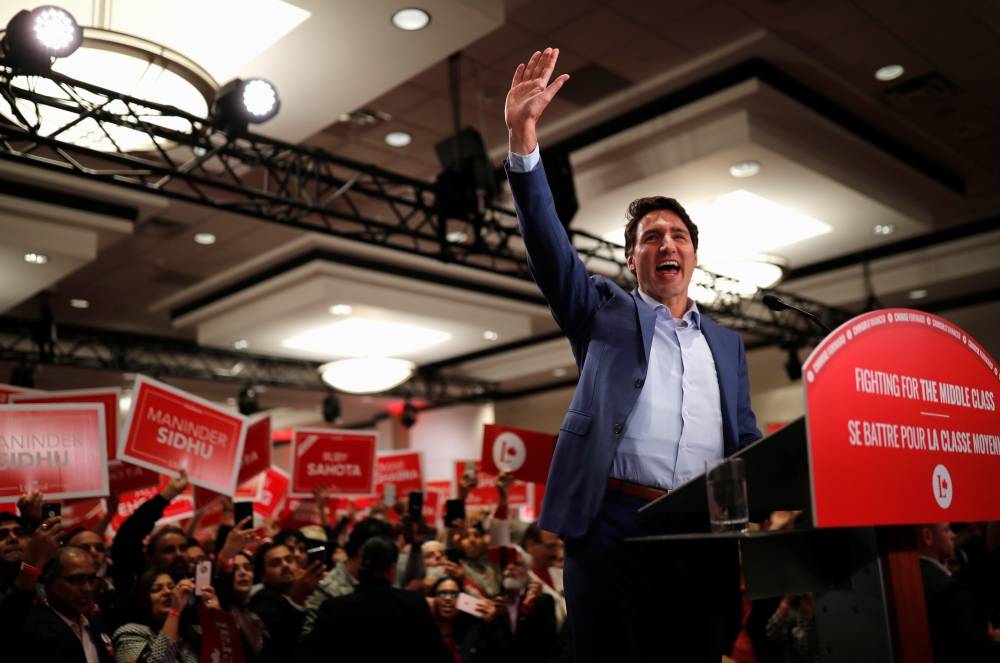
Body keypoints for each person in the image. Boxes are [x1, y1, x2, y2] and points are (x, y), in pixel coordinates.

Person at [504, 47, 761, 662]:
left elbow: (746, 441)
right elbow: (547, 244)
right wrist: (521, 139)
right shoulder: (600, 311)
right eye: (651, 238)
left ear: (693, 256)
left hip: (703, 533)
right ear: (632, 260)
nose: (665, 244)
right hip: (614, 526)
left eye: (677, 236)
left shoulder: (727, 343)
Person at [297, 537, 452, 662]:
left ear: (361, 564)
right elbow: (437, 654)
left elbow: (311, 655)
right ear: (392, 570)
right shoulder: (414, 603)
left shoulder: (334, 607)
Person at [917, 522, 1000, 662]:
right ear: (927, 536)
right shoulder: (948, 589)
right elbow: (970, 649)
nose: (954, 535)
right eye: (946, 530)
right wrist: (994, 640)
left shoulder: (915, 576)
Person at [20, 545, 117, 663]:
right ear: (48, 582)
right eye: (76, 579)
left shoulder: (99, 627)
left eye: (91, 579)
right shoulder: (34, 631)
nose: (87, 588)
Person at [112, 568, 218, 662]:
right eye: (157, 589)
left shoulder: (195, 632)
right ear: (143, 601)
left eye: (172, 587)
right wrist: (175, 611)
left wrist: (217, 616)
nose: (168, 592)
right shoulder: (129, 633)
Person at [248, 541, 324, 660]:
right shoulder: (263, 602)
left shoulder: (314, 589)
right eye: (275, 563)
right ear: (263, 576)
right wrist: (297, 600)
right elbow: (282, 648)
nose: (285, 565)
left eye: (289, 560)